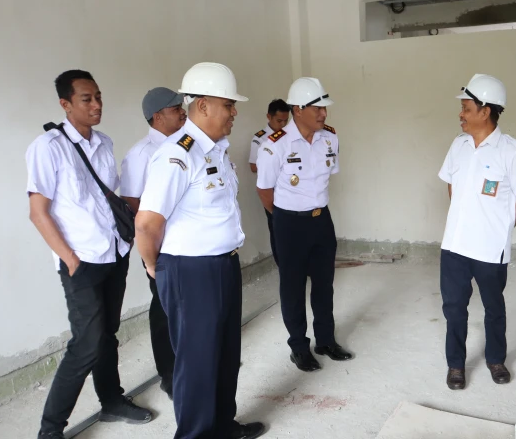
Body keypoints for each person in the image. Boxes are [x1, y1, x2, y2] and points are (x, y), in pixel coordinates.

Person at [135, 63, 265, 439]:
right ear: (203, 105)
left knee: (225, 354)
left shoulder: (216, 151)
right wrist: (155, 267)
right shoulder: (177, 154)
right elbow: (146, 224)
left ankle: (222, 426)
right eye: (229, 104)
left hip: (223, 265)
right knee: (196, 363)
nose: (234, 112)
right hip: (190, 272)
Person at [26, 70, 153, 439]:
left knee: (107, 334)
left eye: (98, 96)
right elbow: (38, 212)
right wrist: (70, 259)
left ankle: (111, 401)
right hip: (80, 262)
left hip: (113, 253)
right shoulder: (48, 147)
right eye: (87, 99)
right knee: (86, 344)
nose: (97, 104)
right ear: (65, 104)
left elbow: (106, 197)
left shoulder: (104, 142)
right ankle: (50, 430)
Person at [437, 74, 516, 390]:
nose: (461, 114)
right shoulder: (458, 145)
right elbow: (452, 186)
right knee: (454, 309)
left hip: (490, 250)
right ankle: (456, 365)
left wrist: (498, 230)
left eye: (466, 108)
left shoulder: (510, 151)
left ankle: (496, 359)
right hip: (454, 246)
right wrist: (465, 220)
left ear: (485, 111)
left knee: (494, 308)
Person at [256, 77, 353, 372]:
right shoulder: (274, 146)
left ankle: (326, 341)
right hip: (289, 224)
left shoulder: (330, 139)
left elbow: (326, 177)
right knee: (293, 287)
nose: (324, 114)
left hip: (321, 220)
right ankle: (299, 347)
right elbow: (265, 190)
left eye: (325, 108)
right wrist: (285, 218)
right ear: (297, 109)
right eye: (317, 109)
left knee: (324, 284)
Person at [120, 87, 187, 399]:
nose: (183, 112)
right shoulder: (141, 154)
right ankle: (169, 373)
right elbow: (133, 204)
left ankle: (193, 362)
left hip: (188, 243)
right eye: (176, 109)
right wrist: (153, 245)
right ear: (158, 117)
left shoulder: (186, 145)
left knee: (189, 307)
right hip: (160, 246)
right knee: (165, 310)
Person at [249, 99, 291, 266]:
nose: (283, 125)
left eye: (286, 120)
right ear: (269, 117)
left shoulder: (290, 135)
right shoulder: (260, 138)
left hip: (290, 190)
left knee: (294, 230)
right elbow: (253, 166)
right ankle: (282, 265)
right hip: (271, 191)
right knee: (277, 230)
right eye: (279, 120)